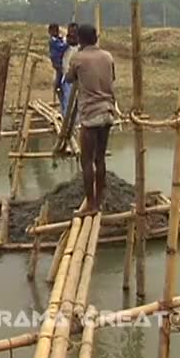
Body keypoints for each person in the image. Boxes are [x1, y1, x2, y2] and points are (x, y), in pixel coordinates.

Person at [65, 24, 116, 215]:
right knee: (100, 159)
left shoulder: (78, 58)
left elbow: (69, 79)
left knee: (86, 161)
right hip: (108, 111)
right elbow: (113, 77)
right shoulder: (108, 56)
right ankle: (99, 200)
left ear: (80, 39)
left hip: (90, 115)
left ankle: (91, 205)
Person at [60, 22, 79, 116]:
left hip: (76, 79)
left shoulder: (80, 47)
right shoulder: (64, 44)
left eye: (74, 32)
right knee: (65, 99)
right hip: (65, 76)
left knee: (73, 101)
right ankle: (65, 119)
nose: (72, 34)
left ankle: (72, 122)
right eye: (70, 32)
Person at [48, 23, 69, 106]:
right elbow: (61, 47)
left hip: (60, 60)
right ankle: (58, 87)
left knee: (60, 74)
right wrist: (67, 44)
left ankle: (59, 87)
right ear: (50, 32)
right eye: (53, 31)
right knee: (59, 74)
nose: (55, 32)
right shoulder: (53, 41)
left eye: (56, 31)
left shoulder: (58, 39)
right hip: (57, 61)